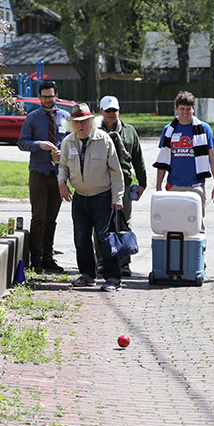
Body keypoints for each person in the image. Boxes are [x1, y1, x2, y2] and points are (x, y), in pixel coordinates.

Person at [58, 103, 125, 292]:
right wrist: (61, 182)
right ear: (72, 125)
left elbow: (116, 172)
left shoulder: (103, 140)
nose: (81, 126)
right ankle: (87, 275)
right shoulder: (68, 142)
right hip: (79, 198)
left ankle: (113, 278)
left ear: (92, 122)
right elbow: (62, 166)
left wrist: (117, 198)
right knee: (81, 239)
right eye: (77, 123)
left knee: (106, 239)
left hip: (102, 197)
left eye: (85, 122)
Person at [17, 81, 70, 274]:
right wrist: (39, 144)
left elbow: (72, 144)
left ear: (57, 96)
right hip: (39, 173)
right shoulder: (32, 118)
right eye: (45, 96)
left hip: (58, 175)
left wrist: (62, 154)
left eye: (51, 96)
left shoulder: (65, 117)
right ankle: (36, 258)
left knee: (51, 218)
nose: (48, 100)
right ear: (39, 97)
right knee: (38, 216)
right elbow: (21, 143)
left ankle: (48, 257)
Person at [93, 95, 147, 277]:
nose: (111, 113)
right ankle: (102, 261)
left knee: (124, 223)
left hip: (123, 184)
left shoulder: (129, 131)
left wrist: (143, 183)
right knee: (101, 225)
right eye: (107, 110)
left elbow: (138, 159)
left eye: (114, 110)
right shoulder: (93, 131)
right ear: (101, 111)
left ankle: (124, 263)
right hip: (99, 184)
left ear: (119, 111)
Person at [153, 90, 214, 225]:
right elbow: (162, 160)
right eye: (182, 109)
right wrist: (158, 187)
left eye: (188, 109)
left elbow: (213, 159)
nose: (185, 112)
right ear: (176, 109)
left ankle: (198, 247)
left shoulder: (204, 129)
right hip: (173, 185)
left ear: (193, 109)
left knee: (195, 225)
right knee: (173, 225)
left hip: (195, 186)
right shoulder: (168, 130)